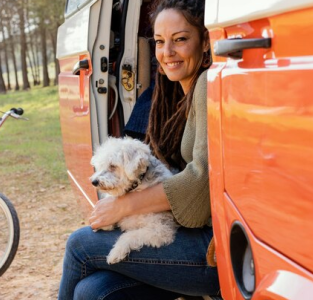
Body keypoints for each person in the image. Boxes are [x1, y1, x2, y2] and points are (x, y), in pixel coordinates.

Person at [58, 0, 218, 298]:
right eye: (159, 41)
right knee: (92, 292)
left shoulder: (208, 84)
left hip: (212, 247)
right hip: (188, 232)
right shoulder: (173, 91)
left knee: (79, 245)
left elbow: (201, 183)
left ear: (206, 42)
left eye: (180, 39)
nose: (167, 52)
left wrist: (123, 206)